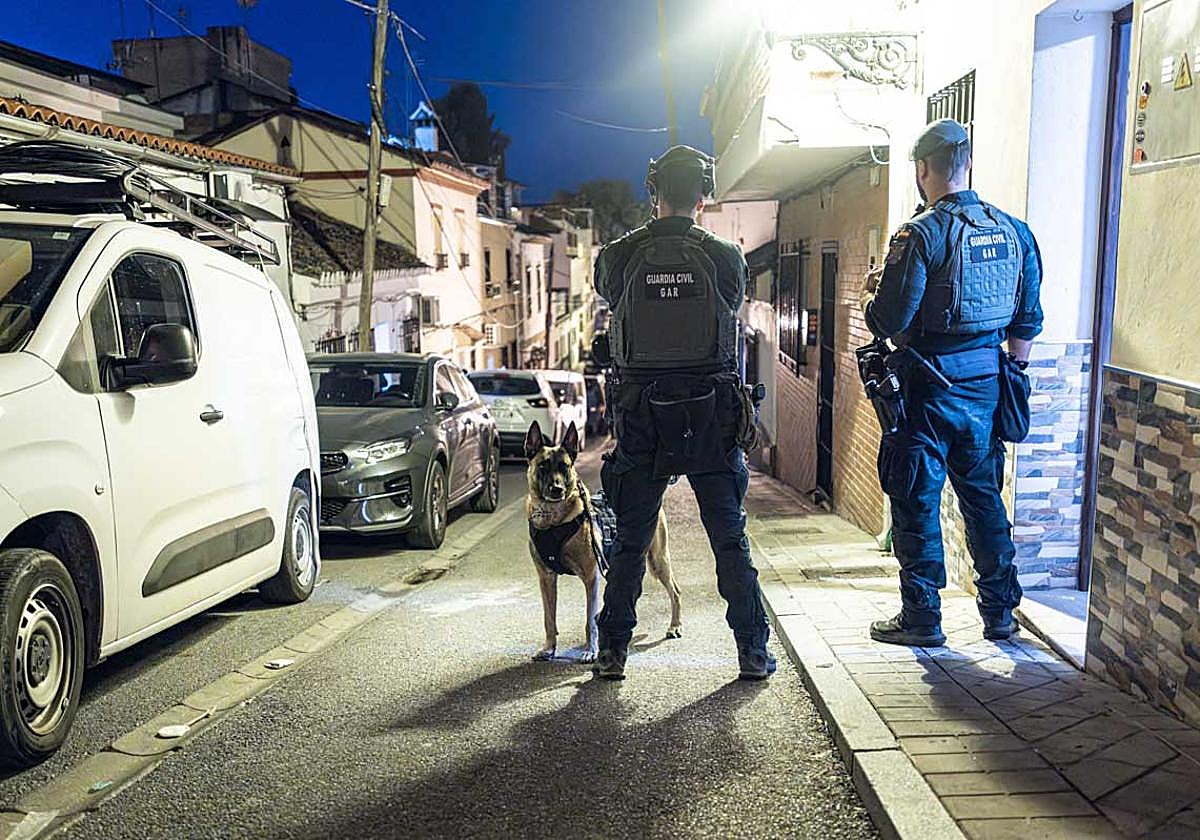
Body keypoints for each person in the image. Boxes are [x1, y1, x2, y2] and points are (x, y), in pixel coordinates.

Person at [591, 144, 774, 681]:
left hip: (641, 413)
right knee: (729, 540)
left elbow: (609, 296)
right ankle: (752, 652)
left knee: (631, 539)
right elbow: (732, 303)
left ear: (654, 193)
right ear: (703, 196)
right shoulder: (726, 257)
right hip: (711, 414)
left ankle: (613, 652)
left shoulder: (619, 256)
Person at [859, 118, 1043, 647]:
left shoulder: (921, 234)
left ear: (923, 170)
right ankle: (1000, 613)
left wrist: (872, 292)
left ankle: (922, 618)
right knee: (984, 500)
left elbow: (888, 320)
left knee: (916, 501)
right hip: (986, 388)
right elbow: (1026, 322)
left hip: (926, 391)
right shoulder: (1015, 231)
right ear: (968, 165)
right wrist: (1006, 377)